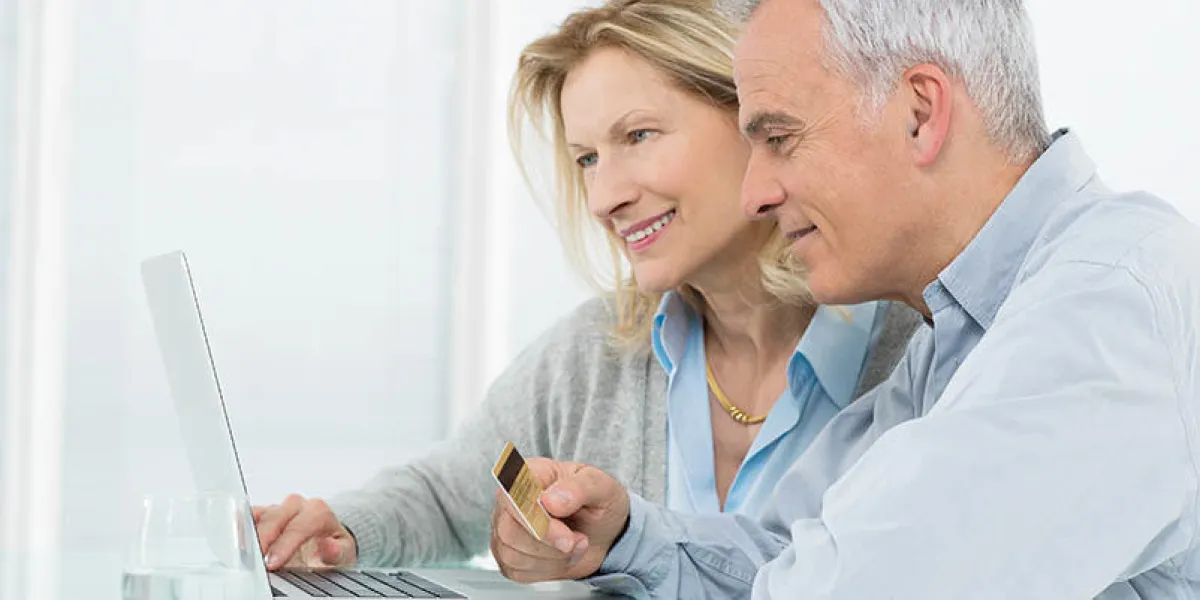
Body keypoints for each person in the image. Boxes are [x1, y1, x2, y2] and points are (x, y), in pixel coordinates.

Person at [487, 0, 1200, 597]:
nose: (755, 192)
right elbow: (789, 550)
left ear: (921, 112)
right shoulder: (956, 333)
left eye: (780, 138)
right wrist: (625, 536)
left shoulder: (1107, 306)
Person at [251, 0, 920, 572]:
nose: (603, 197)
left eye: (639, 135)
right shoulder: (597, 353)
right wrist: (341, 530)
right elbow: (444, 493)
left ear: (754, 114)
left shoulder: (919, 346)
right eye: (588, 159)